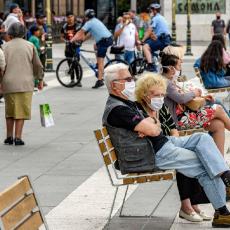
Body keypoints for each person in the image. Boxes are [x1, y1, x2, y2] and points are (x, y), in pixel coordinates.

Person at [102, 63, 230, 228]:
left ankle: (226, 177)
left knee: (202, 138)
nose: (131, 80)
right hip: (152, 153)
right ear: (114, 85)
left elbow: (155, 127)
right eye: (127, 78)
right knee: (204, 163)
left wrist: (150, 124)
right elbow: (154, 130)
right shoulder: (118, 109)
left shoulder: (125, 102)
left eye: (131, 77)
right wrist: (150, 125)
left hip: (162, 144)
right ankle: (222, 213)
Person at [135, 73, 212, 222]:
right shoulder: (138, 109)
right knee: (186, 159)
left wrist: (175, 143)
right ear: (144, 94)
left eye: (162, 94)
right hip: (152, 152)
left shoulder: (161, 106)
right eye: (155, 94)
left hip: (167, 146)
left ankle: (193, 204)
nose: (159, 98)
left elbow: (172, 128)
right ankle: (186, 206)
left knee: (189, 152)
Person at [1, 23, 43, 145]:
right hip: (25, 83)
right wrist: (40, 79)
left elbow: (1, 65)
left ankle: (9, 137)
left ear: (10, 33)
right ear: (24, 32)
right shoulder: (30, 46)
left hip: (8, 83)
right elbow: (37, 65)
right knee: (21, 111)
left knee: (10, 111)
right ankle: (18, 137)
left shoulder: (5, 47)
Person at [71, 9, 113, 89]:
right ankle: (98, 64)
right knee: (95, 46)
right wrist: (82, 41)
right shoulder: (95, 20)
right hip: (107, 39)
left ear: (87, 17)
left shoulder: (89, 23)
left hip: (104, 41)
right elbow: (90, 34)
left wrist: (72, 40)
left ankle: (100, 81)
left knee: (101, 61)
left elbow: (80, 32)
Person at [141, 3, 171, 72]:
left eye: (150, 10)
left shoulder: (155, 18)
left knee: (145, 46)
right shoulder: (162, 17)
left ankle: (151, 65)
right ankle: (155, 60)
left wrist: (142, 40)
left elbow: (149, 31)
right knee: (150, 43)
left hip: (162, 39)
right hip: (166, 39)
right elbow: (155, 33)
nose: (149, 12)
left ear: (154, 10)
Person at [61, 11, 82, 86]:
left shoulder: (78, 26)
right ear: (66, 18)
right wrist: (65, 41)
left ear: (74, 17)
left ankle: (78, 80)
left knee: (76, 64)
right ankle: (72, 80)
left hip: (76, 47)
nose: (70, 19)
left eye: (71, 17)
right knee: (70, 64)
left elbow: (81, 35)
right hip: (68, 48)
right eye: (68, 17)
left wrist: (77, 41)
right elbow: (62, 36)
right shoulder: (64, 26)